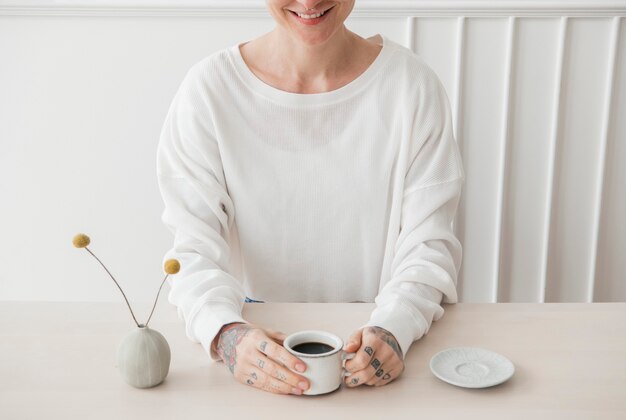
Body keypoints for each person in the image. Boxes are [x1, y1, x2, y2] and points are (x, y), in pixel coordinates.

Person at [156, 0, 465, 396]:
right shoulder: (208, 91)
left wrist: (395, 327)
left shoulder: (412, 87)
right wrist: (227, 334)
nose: (309, 2)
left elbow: (429, 243)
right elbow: (192, 251)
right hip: (255, 368)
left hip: (375, 373)